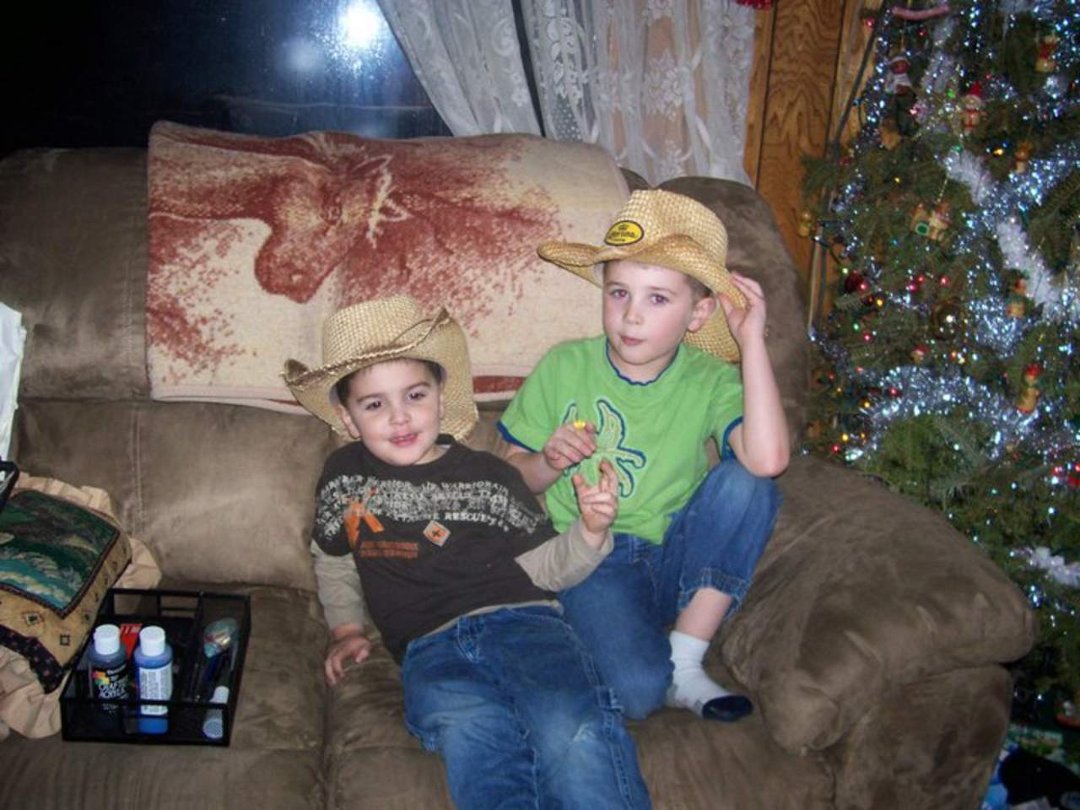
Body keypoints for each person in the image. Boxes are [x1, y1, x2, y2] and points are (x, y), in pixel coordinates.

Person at [282, 295, 652, 810]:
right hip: (429, 649)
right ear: (347, 418)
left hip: (525, 625)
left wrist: (590, 531)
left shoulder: (490, 475)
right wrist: (346, 628)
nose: (399, 417)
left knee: (571, 726)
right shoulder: (344, 477)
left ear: (440, 396)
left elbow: (549, 568)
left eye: (415, 395)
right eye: (374, 405)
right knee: (475, 737)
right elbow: (334, 556)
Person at [498, 189, 790, 723]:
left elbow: (768, 461)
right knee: (635, 693)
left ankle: (686, 659)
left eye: (657, 299)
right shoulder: (564, 366)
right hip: (594, 556)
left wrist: (751, 344)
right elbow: (511, 481)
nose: (631, 316)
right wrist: (549, 461)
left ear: (698, 313)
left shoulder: (711, 379)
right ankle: (618, 641)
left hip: (682, 555)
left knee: (748, 482)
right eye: (619, 293)